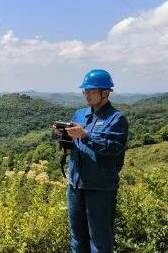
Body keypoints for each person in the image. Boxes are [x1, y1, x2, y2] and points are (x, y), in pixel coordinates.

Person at [54, 69, 128, 253]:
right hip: (76, 185)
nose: (86, 94)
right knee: (77, 238)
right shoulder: (79, 114)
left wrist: (85, 135)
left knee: (100, 241)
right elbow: (74, 146)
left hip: (100, 188)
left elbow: (114, 149)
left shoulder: (116, 118)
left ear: (105, 92)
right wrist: (62, 136)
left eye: (90, 91)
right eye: (85, 91)